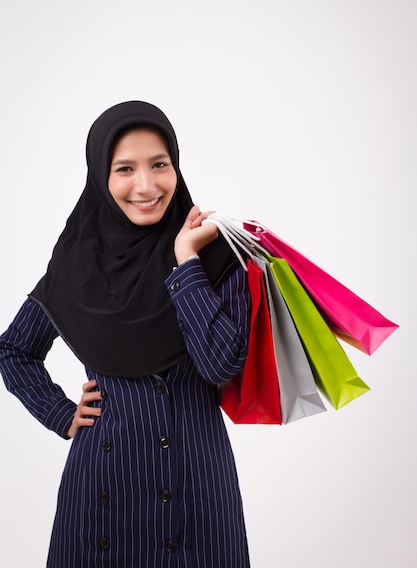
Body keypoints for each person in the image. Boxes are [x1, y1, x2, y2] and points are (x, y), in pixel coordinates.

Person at [0, 101, 251, 568]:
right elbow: (14, 349)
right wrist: (60, 413)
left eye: (160, 164)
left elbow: (221, 364)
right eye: (124, 169)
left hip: (195, 491)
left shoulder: (218, 257)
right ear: (100, 176)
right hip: (102, 493)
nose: (146, 186)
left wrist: (186, 263)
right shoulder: (77, 265)